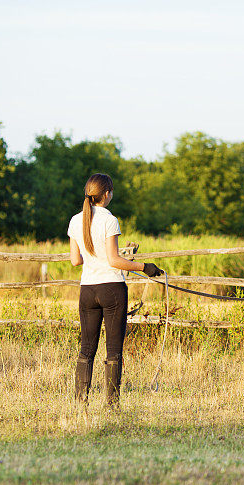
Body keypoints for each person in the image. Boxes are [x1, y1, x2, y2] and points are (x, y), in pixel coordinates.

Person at [68, 173, 163, 409]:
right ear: (107, 194)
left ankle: (81, 403)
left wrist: (91, 255)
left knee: (86, 349)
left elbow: (74, 261)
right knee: (113, 350)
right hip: (111, 289)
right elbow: (114, 260)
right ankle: (111, 405)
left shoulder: (75, 220)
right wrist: (145, 268)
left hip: (87, 290)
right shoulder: (110, 220)